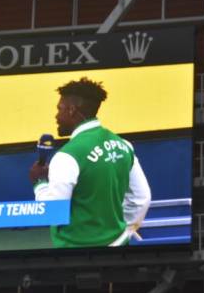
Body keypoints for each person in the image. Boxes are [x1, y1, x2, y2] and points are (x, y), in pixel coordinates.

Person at [29, 77, 151, 248]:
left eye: (60, 109)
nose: (56, 115)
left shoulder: (67, 156)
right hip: (119, 247)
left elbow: (53, 213)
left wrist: (40, 183)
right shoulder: (124, 145)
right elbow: (141, 199)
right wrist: (122, 234)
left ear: (71, 110)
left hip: (75, 255)